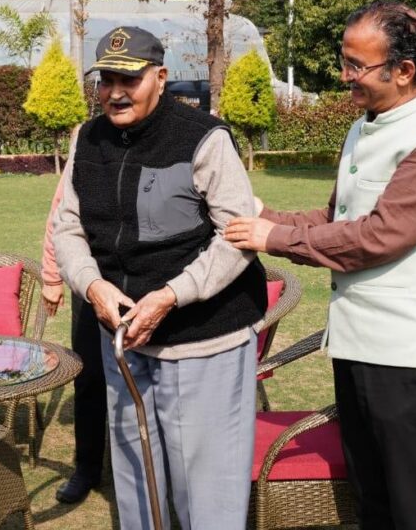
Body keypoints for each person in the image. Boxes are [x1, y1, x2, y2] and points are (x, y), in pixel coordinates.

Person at [225, 0, 416, 530]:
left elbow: (378, 236)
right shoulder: (366, 126)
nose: (344, 76)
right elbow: (338, 218)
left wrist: (276, 237)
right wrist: (264, 217)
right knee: (372, 498)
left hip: (407, 356)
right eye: (344, 61)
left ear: (404, 70)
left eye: (356, 65)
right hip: (355, 343)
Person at [53, 26, 268, 530]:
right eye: (106, 80)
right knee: (136, 483)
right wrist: (92, 285)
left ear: (162, 77)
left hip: (203, 341)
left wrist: (172, 295)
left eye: (129, 79)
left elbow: (238, 236)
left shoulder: (204, 138)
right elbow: (67, 226)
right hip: (123, 341)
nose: (115, 92)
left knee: (205, 496)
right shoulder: (87, 138)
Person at [41, 175, 107, 504]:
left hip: (146, 280)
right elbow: (61, 212)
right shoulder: (84, 147)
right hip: (89, 278)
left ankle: (148, 468)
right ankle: (87, 467)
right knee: (89, 376)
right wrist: (52, 276)